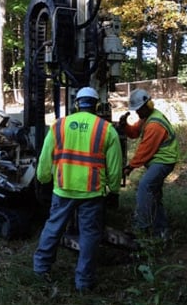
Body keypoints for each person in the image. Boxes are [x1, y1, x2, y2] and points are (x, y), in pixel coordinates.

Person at [33, 87, 122, 292]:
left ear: (76, 104)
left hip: (63, 189)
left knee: (53, 227)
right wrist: (114, 190)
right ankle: (83, 283)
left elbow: (46, 157)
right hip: (92, 192)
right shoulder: (106, 129)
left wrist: (43, 179)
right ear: (97, 106)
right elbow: (115, 166)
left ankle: (40, 269)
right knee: (89, 235)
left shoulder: (59, 126)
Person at [120, 88, 179, 238]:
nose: (137, 113)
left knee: (145, 188)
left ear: (148, 105)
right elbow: (134, 133)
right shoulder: (147, 118)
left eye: (138, 110)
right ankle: (161, 230)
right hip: (158, 161)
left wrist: (130, 167)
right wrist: (125, 125)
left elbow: (145, 150)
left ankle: (142, 227)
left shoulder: (154, 124)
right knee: (154, 195)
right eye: (136, 111)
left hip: (163, 161)